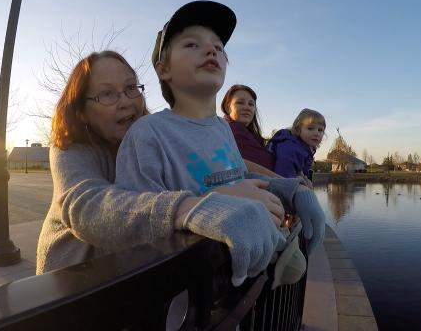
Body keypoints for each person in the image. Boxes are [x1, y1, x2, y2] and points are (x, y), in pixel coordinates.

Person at [115, 1, 324, 285]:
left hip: (237, 288)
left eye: (219, 47)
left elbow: (236, 179)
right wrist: (216, 205)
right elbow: (135, 220)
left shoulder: (221, 131)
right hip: (188, 299)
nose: (212, 50)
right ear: (164, 69)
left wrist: (293, 190)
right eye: (191, 44)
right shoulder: (148, 133)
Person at [36, 50, 288, 275]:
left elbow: (218, 166)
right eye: (107, 94)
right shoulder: (70, 149)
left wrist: (287, 187)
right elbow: (86, 206)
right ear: (81, 109)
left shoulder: (152, 136)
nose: (126, 101)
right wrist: (197, 207)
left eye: (131, 88)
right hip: (75, 288)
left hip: (138, 275)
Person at [221, 84, 278, 177]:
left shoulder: (248, 133)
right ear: (228, 107)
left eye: (251, 104)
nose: (247, 107)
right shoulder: (231, 130)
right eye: (240, 102)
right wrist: (286, 180)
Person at [268, 108, 326, 186]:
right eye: (310, 128)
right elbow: (284, 175)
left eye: (320, 130)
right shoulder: (290, 148)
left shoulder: (303, 148)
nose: (316, 133)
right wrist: (301, 184)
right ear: (298, 129)